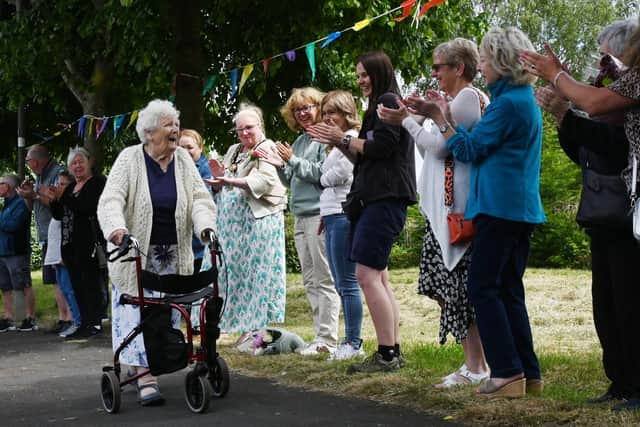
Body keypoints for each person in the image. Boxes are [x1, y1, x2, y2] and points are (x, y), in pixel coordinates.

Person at [405, 27, 546, 397]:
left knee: (482, 287)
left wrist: (441, 118)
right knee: (509, 290)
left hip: (500, 207)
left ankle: (506, 372)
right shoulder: (521, 99)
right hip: (519, 207)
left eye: (484, 58)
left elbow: (467, 149)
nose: (480, 66)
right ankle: (528, 373)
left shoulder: (509, 103)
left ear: (501, 60)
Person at [533, 19, 640, 412]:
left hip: (629, 207)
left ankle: (636, 384)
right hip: (605, 209)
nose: (601, 59)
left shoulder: (628, 87)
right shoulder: (608, 88)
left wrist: (560, 86)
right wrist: (564, 119)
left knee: (631, 302)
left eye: (607, 51)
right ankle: (621, 381)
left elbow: (613, 141)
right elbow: (587, 154)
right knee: (607, 302)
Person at [377, 38, 490, 387]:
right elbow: (432, 152)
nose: (434, 73)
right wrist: (418, 115)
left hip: (458, 212)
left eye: (439, 66)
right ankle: (475, 362)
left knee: (458, 292)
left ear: (459, 68)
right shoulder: (450, 103)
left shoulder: (469, 98)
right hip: (443, 210)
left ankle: (477, 365)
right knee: (443, 289)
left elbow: (442, 148)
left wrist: (408, 121)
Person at [97, 99, 216, 406]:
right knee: (137, 312)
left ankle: (168, 358)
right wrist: (116, 229)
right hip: (136, 252)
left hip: (175, 253)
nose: (175, 130)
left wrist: (205, 226)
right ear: (149, 133)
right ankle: (144, 376)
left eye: (176, 124)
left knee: (171, 310)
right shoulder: (129, 159)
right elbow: (111, 200)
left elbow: (200, 198)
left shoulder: (184, 161)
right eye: (168, 125)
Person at [307, 51, 416, 373]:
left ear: (379, 72)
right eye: (358, 77)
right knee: (378, 275)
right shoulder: (378, 105)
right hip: (378, 196)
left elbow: (382, 148)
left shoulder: (387, 100)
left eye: (365, 75)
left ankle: (386, 354)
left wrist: (341, 138)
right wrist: (341, 143)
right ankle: (391, 349)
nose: (361, 81)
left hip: (385, 197)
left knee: (365, 276)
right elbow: (367, 158)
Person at [519, 21, 640, 191]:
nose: (599, 65)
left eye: (604, 57)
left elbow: (595, 107)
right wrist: (563, 108)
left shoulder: (631, 85)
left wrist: (557, 77)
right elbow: (582, 155)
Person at [203, 103, 287, 339]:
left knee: (257, 273)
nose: (244, 133)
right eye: (239, 129)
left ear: (260, 126)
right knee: (234, 273)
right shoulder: (233, 149)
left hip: (257, 223)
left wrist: (229, 181)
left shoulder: (267, 147)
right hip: (234, 226)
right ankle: (238, 323)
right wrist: (220, 179)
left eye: (249, 127)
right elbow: (227, 178)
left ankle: (257, 327)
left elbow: (263, 182)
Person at [270, 87, 341, 355]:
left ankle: (328, 339)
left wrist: (293, 160)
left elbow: (321, 174)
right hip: (300, 216)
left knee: (324, 279)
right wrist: (280, 166)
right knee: (310, 280)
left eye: (307, 107)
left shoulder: (325, 139)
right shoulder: (300, 141)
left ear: (319, 108)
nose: (302, 113)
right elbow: (292, 180)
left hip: (319, 215)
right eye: (297, 109)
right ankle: (318, 337)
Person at [316, 90, 364, 360]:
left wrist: (322, 177)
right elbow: (329, 177)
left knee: (347, 283)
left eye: (332, 112)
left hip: (344, 214)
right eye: (324, 114)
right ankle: (348, 341)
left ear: (346, 113)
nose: (327, 118)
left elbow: (339, 176)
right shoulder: (334, 145)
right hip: (332, 214)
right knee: (339, 283)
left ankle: (353, 342)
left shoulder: (352, 139)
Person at [47, 147, 107, 339]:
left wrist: (63, 196)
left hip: (88, 242)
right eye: (73, 163)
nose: (77, 166)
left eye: (81, 161)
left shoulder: (97, 183)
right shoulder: (71, 187)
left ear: (89, 162)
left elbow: (86, 208)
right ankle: (84, 322)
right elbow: (59, 214)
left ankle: (95, 322)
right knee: (77, 285)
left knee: (91, 283)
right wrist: (54, 199)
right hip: (69, 244)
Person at [17, 144, 66, 332]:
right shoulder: (39, 177)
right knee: (53, 279)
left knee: (60, 278)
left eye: (28, 161)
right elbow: (34, 207)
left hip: (57, 233)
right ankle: (63, 318)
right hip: (46, 234)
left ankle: (68, 318)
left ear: (35, 161)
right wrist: (28, 196)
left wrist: (35, 195)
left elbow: (56, 202)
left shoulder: (57, 173)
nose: (28, 164)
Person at [43, 170, 82, 338]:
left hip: (64, 256)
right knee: (64, 288)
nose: (59, 187)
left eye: (63, 184)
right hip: (56, 256)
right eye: (58, 183)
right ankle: (74, 320)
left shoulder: (70, 206)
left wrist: (62, 256)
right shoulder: (60, 205)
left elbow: (67, 232)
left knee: (70, 289)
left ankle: (78, 320)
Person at [0, 174, 34, 332]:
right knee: (5, 286)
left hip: (16, 251)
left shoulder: (20, 203)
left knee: (23, 284)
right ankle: (8, 317)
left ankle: (29, 317)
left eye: (1, 183)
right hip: (3, 252)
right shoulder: (6, 205)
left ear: (8, 186)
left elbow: (13, 225)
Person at [179, 128, 212, 272]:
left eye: (190, 147)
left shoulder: (207, 170)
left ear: (200, 148)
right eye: (181, 148)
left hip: (199, 246)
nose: (185, 152)